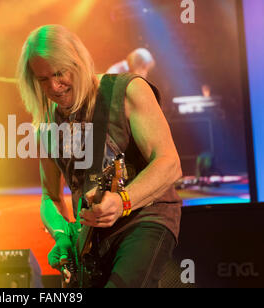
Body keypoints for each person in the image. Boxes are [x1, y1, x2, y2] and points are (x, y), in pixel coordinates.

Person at [17, 25, 182, 288]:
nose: (53, 87)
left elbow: (169, 163)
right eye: (42, 79)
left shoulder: (129, 90)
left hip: (143, 219)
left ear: (79, 62)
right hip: (91, 238)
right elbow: (51, 196)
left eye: (59, 74)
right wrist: (62, 236)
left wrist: (123, 201)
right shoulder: (46, 123)